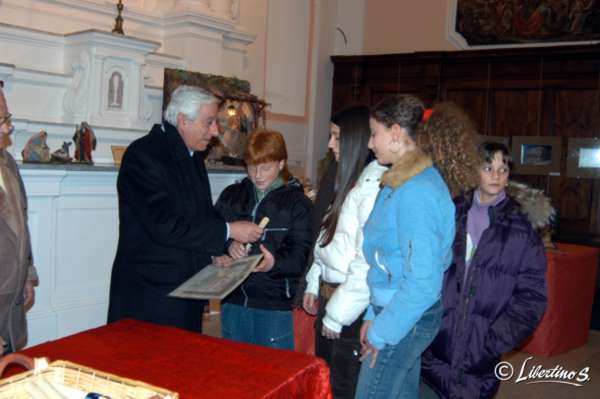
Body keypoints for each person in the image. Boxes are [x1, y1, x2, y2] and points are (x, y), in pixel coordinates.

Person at [107, 85, 263, 332]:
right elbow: (165, 225)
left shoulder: (191, 155)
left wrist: (222, 248)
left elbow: (199, 215)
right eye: (209, 122)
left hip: (185, 288)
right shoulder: (144, 155)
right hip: (152, 295)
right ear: (182, 121)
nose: (215, 131)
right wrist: (228, 230)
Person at [421, 142, 548, 399]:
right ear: (474, 170)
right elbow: (427, 269)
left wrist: (495, 339)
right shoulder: (452, 212)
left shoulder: (521, 228)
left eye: (503, 169)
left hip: (481, 352)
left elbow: (532, 295)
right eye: (488, 167)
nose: (496, 175)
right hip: (437, 342)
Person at [356, 94, 455, 398]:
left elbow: (423, 283)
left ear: (396, 133)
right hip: (394, 312)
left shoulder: (416, 190)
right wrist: (373, 314)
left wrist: (381, 331)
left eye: (375, 134)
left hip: (405, 318)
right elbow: (385, 259)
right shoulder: (399, 181)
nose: (370, 144)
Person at [302, 104, 380, 398]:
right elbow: (326, 235)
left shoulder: (371, 187)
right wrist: (314, 280)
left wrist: (336, 315)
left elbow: (365, 260)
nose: (329, 144)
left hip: (351, 304)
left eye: (336, 137)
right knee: (325, 379)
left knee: (344, 386)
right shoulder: (340, 177)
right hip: (330, 295)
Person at [213, 129, 314, 350]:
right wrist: (228, 246)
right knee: (233, 371)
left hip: (275, 305)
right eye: (251, 166)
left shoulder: (299, 204)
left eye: (265, 167)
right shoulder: (232, 195)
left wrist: (272, 263)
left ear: (281, 163)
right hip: (233, 299)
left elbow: (300, 258)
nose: (257, 174)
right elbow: (211, 232)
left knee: (272, 375)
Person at [0, 80, 38, 354]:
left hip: (8, 300)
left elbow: (20, 223)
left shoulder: (8, 163)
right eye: (1, 120)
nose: (7, 128)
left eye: (7, 118)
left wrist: (27, 275)